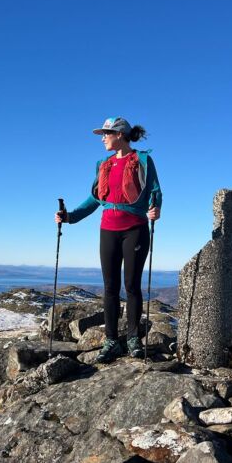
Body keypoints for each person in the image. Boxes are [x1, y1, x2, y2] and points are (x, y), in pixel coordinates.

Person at [55, 117, 162, 363]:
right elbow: (95, 199)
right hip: (108, 230)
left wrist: (157, 210)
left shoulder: (143, 160)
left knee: (132, 286)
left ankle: (133, 339)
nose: (102, 138)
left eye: (106, 133)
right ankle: (112, 340)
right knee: (110, 287)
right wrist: (70, 217)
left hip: (135, 228)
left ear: (120, 134)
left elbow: (155, 191)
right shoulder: (103, 164)